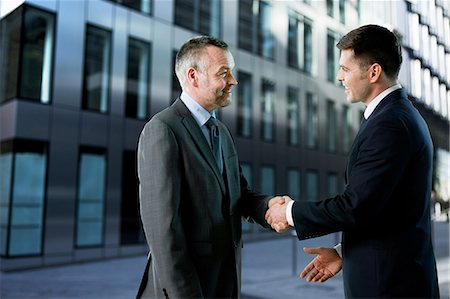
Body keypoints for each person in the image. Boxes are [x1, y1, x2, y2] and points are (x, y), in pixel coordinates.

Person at [265, 24, 440, 298]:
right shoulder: (395, 115)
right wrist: (341, 252)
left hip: (389, 287)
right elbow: (384, 210)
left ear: (373, 72)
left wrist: (289, 212)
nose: (339, 77)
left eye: (346, 69)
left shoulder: (390, 124)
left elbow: (355, 206)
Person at [136, 36, 283, 298]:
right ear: (193, 76)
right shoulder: (162, 130)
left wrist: (269, 208)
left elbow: (239, 195)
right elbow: (164, 234)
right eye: (224, 73)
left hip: (223, 284)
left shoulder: (221, 132)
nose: (233, 81)